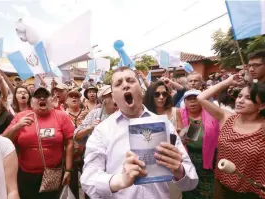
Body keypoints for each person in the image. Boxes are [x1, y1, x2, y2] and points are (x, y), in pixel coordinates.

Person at [80, 67, 198, 199]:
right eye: (119, 83)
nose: (125, 85)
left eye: (130, 81)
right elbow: (88, 180)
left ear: (141, 90)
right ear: (113, 96)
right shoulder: (102, 131)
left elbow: (191, 181)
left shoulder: (164, 126)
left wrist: (179, 171)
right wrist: (120, 180)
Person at [197, 75, 265, 199]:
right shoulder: (227, 118)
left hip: (253, 192)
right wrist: (227, 82)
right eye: (239, 96)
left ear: (262, 105)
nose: (240, 101)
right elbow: (201, 97)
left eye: (248, 98)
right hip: (221, 185)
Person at [3, 87, 74, 199]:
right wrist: (17, 127)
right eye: (38, 96)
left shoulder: (61, 116)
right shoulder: (21, 117)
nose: (42, 98)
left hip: (53, 173)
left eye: (45, 96)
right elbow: (3, 141)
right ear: (31, 102)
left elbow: (69, 143)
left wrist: (69, 169)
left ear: (51, 100)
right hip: (26, 175)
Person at [143, 81, 183, 199]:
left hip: (173, 160)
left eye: (164, 94)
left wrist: (179, 135)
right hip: (153, 163)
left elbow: (181, 137)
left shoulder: (176, 111)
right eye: (157, 94)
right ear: (151, 96)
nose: (161, 97)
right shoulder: (144, 116)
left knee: (174, 194)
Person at [177, 90, 219, 199]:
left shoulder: (213, 115)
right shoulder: (179, 115)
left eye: (195, 98)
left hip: (208, 160)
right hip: (187, 158)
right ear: (184, 102)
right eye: (189, 99)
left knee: (205, 192)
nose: (192, 102)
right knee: (188, 188)